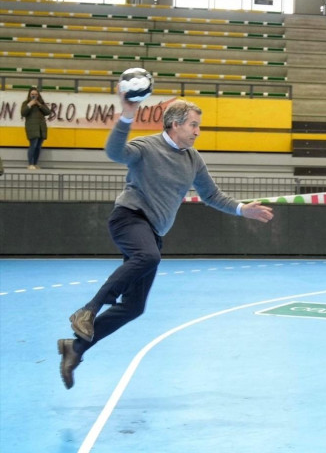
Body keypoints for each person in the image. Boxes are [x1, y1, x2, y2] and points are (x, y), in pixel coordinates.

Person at [57, 93, 275, 389]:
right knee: (148, 257)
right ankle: (88, 310)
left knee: (134, 307)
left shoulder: (192, 159)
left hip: (153, 232)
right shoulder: (147, 147)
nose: (198, 131)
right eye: (194, 125)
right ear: (174, 124)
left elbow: (211, 195)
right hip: (129, 218)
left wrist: (241, 209)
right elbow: (114, 152)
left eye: (199, 126)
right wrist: (126, 116)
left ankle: (76, 348)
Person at [21, 87, 52, 169]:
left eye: (35, 94)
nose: (34, 96)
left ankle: (35, 163)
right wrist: (30, 105)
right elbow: (23, 113)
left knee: (38, 146)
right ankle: (30, 164)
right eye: (32, 94)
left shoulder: (41, 103)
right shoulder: (26, 103)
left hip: (41, 127)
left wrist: (39, 104)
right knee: (33, 145)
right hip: (32, 127)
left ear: (38, 95)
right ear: (29, 95)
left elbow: (48, 112)